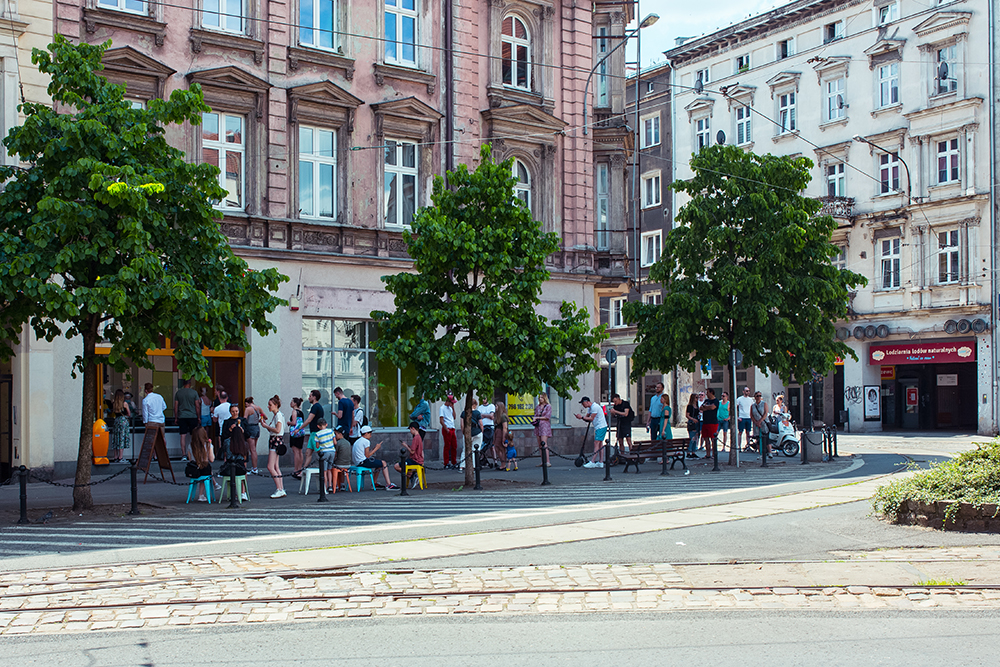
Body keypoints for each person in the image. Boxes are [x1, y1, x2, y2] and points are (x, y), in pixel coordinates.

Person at [352, 425, 398, 489]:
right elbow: (367, 455)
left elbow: (365, 453)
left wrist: (373, 449)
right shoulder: (366, 441)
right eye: (370, 434)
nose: (371, 436)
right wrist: (376, 448)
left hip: (358, 462)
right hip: (363, 462)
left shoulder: (358, 441)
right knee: (383, 463)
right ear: (366, 433)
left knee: (378, 465)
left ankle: (374, 483)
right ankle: (388, 484)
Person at [260, 395, 286, 498]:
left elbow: (277, 430)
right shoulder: (278, 415)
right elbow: (274, 430)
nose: (268, 406)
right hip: (276, 440)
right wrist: (266, 426)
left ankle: (279, 489)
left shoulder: (278, 416)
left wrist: (266, 426)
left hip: (275, 440)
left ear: (275, 405)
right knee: (276, 466)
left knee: (270, 466)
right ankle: (281, 488)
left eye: (270, 405)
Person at [574, 396, 607, 468]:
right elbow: (587, 418)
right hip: (598, 427)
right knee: (600, 444)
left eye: (583, 404)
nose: (583, 405)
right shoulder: (590, 408)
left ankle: (592, 461)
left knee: (596, 443)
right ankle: (600, 462)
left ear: (587, 402)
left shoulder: (595, 407)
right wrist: (581, 418)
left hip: (601, 426)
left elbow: (591, 418)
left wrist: (582, 417)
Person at [184, 426, 215, 502]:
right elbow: (211, 459)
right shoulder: (208, 445)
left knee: (202, 469)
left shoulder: (190, 446)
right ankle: (201, 494)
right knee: (206, 469)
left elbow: (190, 459)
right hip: (204, 470)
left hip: (193, 470)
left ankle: (195, 496)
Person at [221, 424, 250, 501]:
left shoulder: (227, 441)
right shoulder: (244, 443)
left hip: (229, 468)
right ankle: (243, 493)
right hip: (240, 468)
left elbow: (225, 454)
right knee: (242, 474)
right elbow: (245, 457)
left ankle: (231, 494)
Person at [173, 379, 200, 461]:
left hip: (182, 416)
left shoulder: (178, 393)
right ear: (190, 384)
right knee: (193, 436)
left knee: (183, 436)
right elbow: (197, 406)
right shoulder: (194, 393)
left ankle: (184, 454)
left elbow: (176, 407)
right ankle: (193, 453)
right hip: (192, 416)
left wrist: (176, 417)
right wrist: (198, 417)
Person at [313, 419, 339, 492]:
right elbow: (335, 442)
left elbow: (317, 446)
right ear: (326, 424)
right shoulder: (331, 431)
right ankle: (330, 485)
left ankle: (325, 487)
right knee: (329, 469)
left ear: (318, 426)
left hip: (324, 452)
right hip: (332, 451)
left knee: (324, 470)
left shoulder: (317, 434)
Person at [301, 389, 324, 469]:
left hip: (316, 433)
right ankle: (303, 470)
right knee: (308, 452)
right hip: (313, 433)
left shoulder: (315, 407)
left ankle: (324, 469)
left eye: (310, 396)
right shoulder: (317, 406)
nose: (309, 398)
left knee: (319, 451)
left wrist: (300, 428)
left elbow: (309, 419)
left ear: (314, 397)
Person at [460, 398, 482, 471]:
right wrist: (482, 431)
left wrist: (464, 432)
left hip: (467, 433)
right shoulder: (477, 413)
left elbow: (462, 425)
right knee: (475, 450)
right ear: (475, 405)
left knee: (465, 449)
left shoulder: (463, 413)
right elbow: (481, 424)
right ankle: (474, 466)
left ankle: (461, 466)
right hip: (477, 432)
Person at [242, 397, 263, 474]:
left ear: (247, 403)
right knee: (254, 449)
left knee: (251, 449)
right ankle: (254, 467)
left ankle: (254, 468)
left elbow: (244, 419)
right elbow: (265, 417)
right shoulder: (258, 408)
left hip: (250, 428)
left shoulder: (248, 409)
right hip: (257, 427)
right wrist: (260, 419)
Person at [110, 389, 131, 463]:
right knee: (122, 438)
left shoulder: (114, 403)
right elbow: (129, 414)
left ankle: (115, 456)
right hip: (123, 421)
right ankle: (120, 457)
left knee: (116, 438)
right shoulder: (124, 404)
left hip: (116, 421)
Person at [287, 397, 305, 478]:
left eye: (291, 402)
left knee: (295, 452)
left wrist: (289, 422)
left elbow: (294, 422)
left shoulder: (294, 411)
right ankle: (300, 469)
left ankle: (296, 469)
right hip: (300, 433)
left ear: (295, 403)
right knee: (300, 451)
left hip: (295, 433)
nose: (290, 403)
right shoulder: (301, 412)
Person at [700, 388, 720, 460]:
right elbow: (701, 408)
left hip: (713, 422)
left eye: (707, 392)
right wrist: (707, 407)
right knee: (706, 438)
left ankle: (714, 454)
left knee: (713, 439)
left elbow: (713, 407)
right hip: (705, 422)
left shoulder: (716, 401)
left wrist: (706, 407)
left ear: (711, 393)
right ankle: (707, 454)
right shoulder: (706, 401)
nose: (706, 394)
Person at [533, 393, 552, 468]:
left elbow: (547, 417)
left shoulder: (548, 406)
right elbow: (535, 415)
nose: (540, 399)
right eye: (539, 397)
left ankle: (547, 461)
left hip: (544, 426)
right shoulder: (537, 407)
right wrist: (534, 419)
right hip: (538, 426)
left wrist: (537, 418)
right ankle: (543, 461)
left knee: (544, 443)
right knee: (540, 444)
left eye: (542, 397)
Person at [439, 394, 458, 469]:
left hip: (452, 428)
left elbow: (454, 417)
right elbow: (441, 420)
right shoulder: (442, 408)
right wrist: (446, 428)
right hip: (447, 428)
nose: (452, 404)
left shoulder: (450, 408)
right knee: (447, 446)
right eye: (452, 403)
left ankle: (454, 461)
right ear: (448, 401)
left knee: (454, 446)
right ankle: (446, 462)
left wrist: (453, 409)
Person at [750, 391, 770, 458]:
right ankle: (760, 453)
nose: (759, 397)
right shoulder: (753, 406)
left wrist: (760, 421)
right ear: (755, 397)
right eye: (757, 396)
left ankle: (769, 452)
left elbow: (766, 413)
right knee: (758, 439)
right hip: (756, 424)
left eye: (760, 396)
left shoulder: (764, 404)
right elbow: (751, 415)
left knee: (766, 438)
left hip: (764, 423)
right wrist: (756, 422)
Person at [211, 390, 231, 455]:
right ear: (227, 398)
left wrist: (213, 413)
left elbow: (215, 420)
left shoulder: (217, 408)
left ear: (219, 398)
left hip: (222, 427)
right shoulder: (231, 406)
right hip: (231, 427)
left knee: (222, 443)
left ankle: (223, 455)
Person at [735, 386, 754, 452]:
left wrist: (752, 417)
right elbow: (735, 408)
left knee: (748, 432)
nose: (747, 392)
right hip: (742, 417)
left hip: (748, 417)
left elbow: (752, 409)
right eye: (746, 391)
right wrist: (737, 417)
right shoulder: (739, 399)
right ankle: (739, 446)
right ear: (743, 391)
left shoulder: (751, 400)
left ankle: (748, 445)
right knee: (740, 432)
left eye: (748, 391)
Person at [492, 400, 509, 470]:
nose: (495, 408)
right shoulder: (498, 416)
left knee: (500, 448)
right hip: (498, 431)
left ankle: (503, 464)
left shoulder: (503, 416)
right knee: (497, 447)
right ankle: (503, 463)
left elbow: (505, 427)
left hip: (501, 432)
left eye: (496, 406)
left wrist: (504, 437)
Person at [685, 393, 701, 458]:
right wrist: (692, 419)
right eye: (696, 397)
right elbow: (687, 415)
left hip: (697, 421)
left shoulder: (697, 406)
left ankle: (693, 451)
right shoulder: (690, 406)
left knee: (696, 437)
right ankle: (689, 452)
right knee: (692, 437)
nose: (697, 399)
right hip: (692, 422)